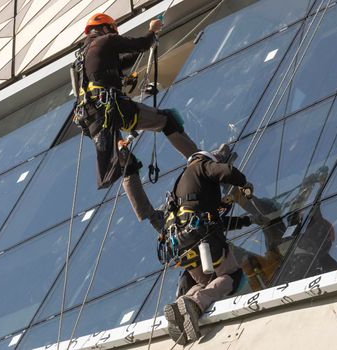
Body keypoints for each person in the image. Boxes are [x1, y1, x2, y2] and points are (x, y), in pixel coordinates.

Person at [72, 13, 202, 233]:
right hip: (114, 109)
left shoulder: (82, 57)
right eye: (113, 30)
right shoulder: (106, 41)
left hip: (93, 118)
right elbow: (140, 45)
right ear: (105, 29)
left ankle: (152, 218)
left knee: (124, 163)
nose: (115, 34)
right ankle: (200, 161)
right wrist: (152, 31)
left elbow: (125, 60)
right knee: (166, 120)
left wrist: (150, 40)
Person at [160, 150, 254, 345]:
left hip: (184, 248)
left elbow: (217, 219)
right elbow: (226, 172)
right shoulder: (201, 166)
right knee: (232, 276)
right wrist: (243, 183)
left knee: (206, 281)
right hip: (205, 241)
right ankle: (195, 304)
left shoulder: (177, 191)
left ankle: (182, 305)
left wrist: (244, 221)